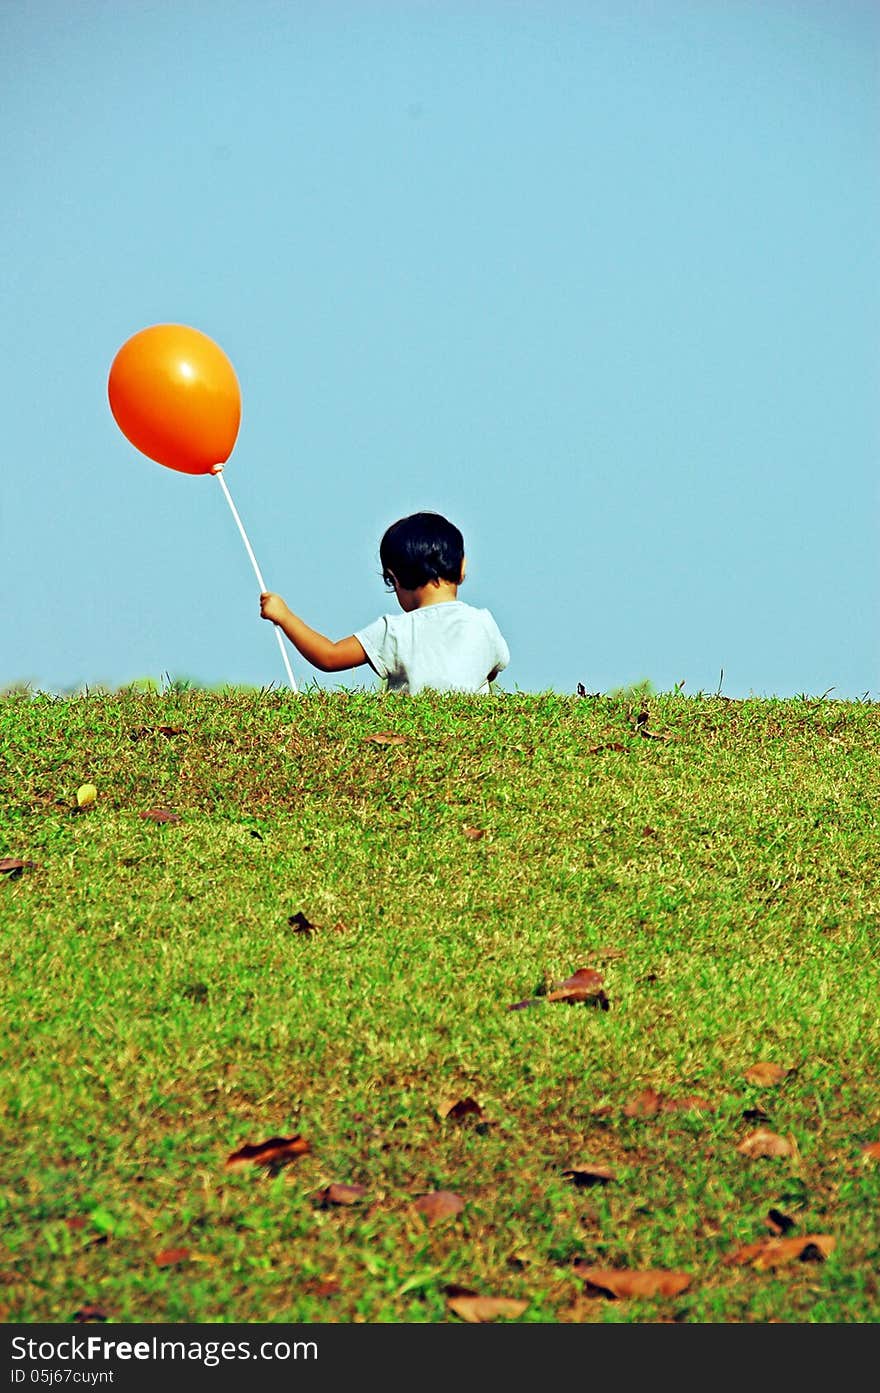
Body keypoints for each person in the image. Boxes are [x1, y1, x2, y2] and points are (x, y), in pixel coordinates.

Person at [259, 511, 509, 694]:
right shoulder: (483, 622)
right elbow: (492, 669)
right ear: (462, 567)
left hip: (407, 740)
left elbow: (329, 656)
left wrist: (284, 616)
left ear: (394, 578)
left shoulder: (395, 630)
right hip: (464, 744)